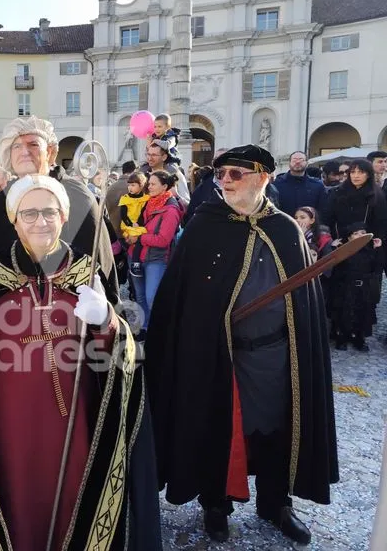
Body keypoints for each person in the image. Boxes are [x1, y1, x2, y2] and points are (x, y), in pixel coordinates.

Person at [0, 174, 161, 550]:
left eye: (50, 212)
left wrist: (107, 321)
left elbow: (118, 354)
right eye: (30, 213)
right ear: (14, 219)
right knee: (15, 499)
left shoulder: (85, 275)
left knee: (74, 497)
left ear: (63, 217)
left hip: (75, 423)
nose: (41, 221)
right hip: (10, 425)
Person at [145, 145, 338, 545]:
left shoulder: (286, 229)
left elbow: (306, 304)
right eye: (221, 175)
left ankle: (276, 503)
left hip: (281, 357)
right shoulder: (205, 225)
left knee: (279, 428)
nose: (226, 182)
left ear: (263, 177)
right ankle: (215, 505)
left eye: (236, 174)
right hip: (222, 357)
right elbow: (181, 299)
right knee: (219, 427)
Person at [0, 116, 118, 302]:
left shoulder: (76, 195)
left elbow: (94, 263)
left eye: (33, 145)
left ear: (51, 152)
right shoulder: (1, 201)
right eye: (16, 146)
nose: (24, 152)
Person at [126, 171, 182, 338]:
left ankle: (160, 331)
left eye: (153, 184)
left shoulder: (171, 210)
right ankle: (145, 327)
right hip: (135, 255)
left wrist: (140, 237)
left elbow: (163, 239)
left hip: (155, 259)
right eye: (148, 183)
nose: (148, 187)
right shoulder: (147, 203)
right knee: (140, 296)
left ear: (165, 187)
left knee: (153, 298)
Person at [328, 222, 379, 351]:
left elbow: (376, 269)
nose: (360, 236)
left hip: (363, 288)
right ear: (349, 237)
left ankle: (359, 339)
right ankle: (342, 338)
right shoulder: (344, 250)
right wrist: (333, 249)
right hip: (346, 288)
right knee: (344, 312)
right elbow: (334, 269)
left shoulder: (369, 250)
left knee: (362, 313)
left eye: (362, 233)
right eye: (355, 234)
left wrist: (377, 250)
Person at [324, 159, 387, 245]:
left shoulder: (377, 194)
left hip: (367, 244)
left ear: (368, 175)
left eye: (361, 172)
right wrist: (331, 239)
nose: (356, 176)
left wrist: (378, 238)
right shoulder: (337, 192)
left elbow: (381, 221)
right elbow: (327, 218)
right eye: (353, 172)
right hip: (340, 243)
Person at [272, 151, 326, 218]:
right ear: (289, 163)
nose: (297, 162)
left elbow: (322, 211)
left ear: (307, 163)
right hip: (283, 225)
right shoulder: (276, 184)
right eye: (294, 160)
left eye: (301, 160)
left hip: (309, 227)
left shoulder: (317, 186)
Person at [105, 160, 137, 237]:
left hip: (112, 232)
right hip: (129, 234)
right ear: (135, 171)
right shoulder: (135, 187)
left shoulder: (110, 188)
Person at [118, 172, 149, 240]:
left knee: (143, 233)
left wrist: (138, 223)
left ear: (141, 185)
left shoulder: (145, 198)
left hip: (139, 225)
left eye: (133, 185)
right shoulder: (125, 198)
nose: (130, 188)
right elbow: (123, 215)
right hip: (127, 225)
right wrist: (131, 224)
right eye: (129, 185)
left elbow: (143, 214)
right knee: (133, 236)